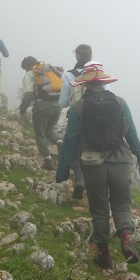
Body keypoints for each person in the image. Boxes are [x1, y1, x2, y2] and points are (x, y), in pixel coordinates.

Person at [55, 61, 140, 269]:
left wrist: (61, 173)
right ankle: (125, 237)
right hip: (121, 161)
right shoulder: (120, 103)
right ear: (103, 81)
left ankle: (103, 253)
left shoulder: (78, 107)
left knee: (99, 209)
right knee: (122, 203)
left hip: (93, 163)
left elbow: (70, 141)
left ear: (85, 84)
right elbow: (131, 135)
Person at [57, 44, 93, 199]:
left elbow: (63, 102)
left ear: (77, 56)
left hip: (77, 118)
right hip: (97, 119)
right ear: (91, 56)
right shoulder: (98, 74)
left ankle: (80, 180)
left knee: (75, 152)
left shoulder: (70, 76)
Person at [18, 56, 63, 171]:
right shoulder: (48, 70)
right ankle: (60, 143)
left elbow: (28, 95)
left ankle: (48, 162)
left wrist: (21, 111)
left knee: (40, 133)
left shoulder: (29, 74)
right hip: (57, 105)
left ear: (26, 67)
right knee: (49, 130)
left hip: (42, 107)